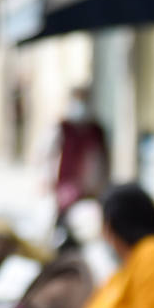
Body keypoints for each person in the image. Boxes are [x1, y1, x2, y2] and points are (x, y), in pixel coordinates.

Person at [51, 87, 110, 219]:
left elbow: (103, 160)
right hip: (66, 186)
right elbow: (50, 155)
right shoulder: (64, 128)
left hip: (91, 189)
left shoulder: (96, 131)